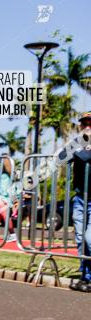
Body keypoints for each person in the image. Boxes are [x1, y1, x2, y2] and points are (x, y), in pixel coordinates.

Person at [70, 112, 91, 292]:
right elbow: (60, 157)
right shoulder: (78, 143)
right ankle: (84, 277)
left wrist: (77, 150)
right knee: (79, 239)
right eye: (84, 123)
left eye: (90, 122)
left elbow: (84, 157)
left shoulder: (79, 146)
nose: (87, 126)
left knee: (89, 239)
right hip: (79, 198)